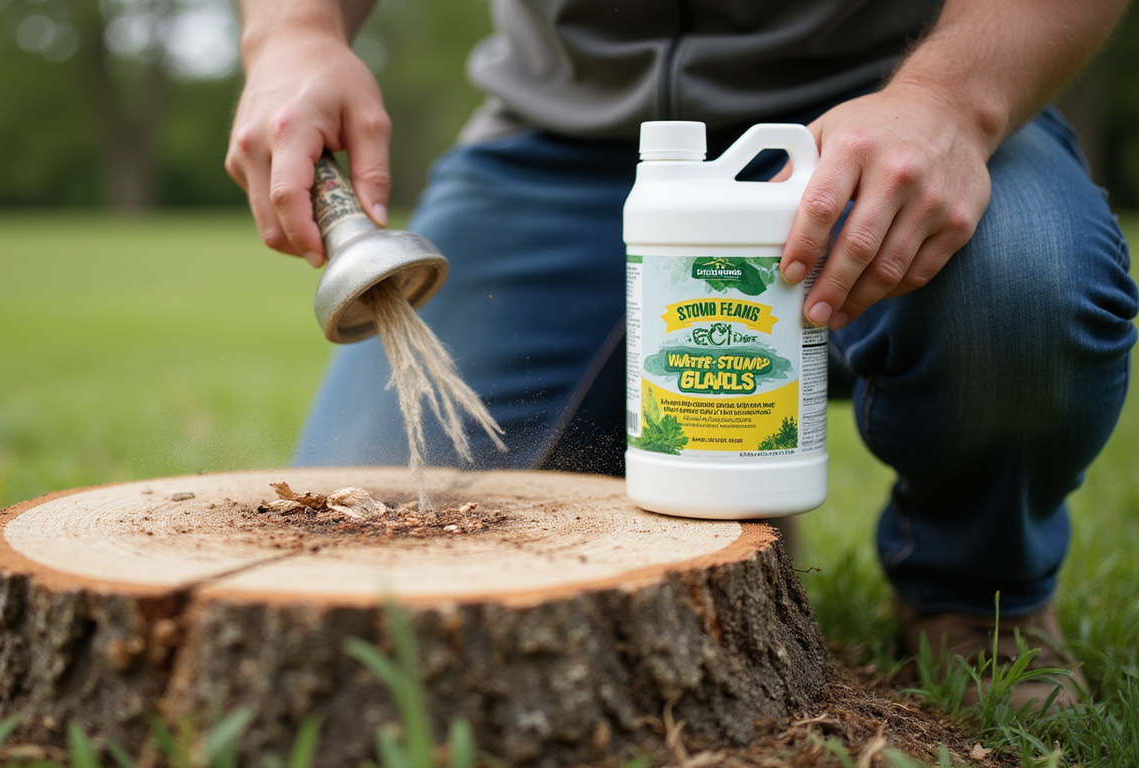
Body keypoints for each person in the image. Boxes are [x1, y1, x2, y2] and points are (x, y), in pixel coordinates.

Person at [226, 0, 1138, 711]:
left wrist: (950, 102)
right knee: (378, 542)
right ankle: (732, 472)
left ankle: (980, 597)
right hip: (558, 149)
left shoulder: (929, 108)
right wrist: (292, 34)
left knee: (1026, 289)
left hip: (896, 117)